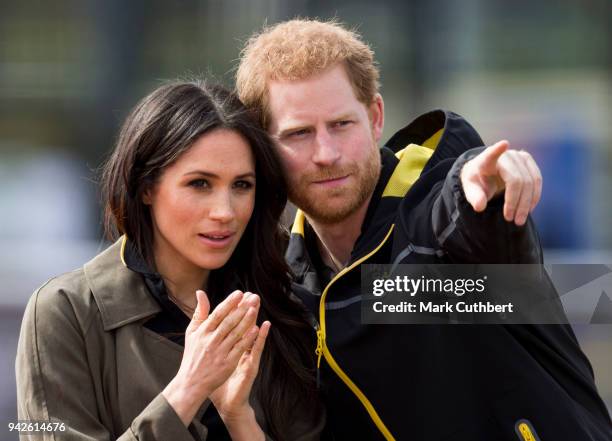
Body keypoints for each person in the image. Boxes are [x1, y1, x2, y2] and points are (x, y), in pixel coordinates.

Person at [235, 19, 612, 440]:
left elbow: (459, 220)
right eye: (299, 134)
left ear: (375, 118)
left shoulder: (437, 221)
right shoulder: (286, 293)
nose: (327, 153)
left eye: (341, 124)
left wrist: (483, 189)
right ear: (264, 147)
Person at [16, 80, 325, 441]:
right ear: (146, 187)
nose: (225, 212)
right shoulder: (63, 313)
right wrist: (187, 390)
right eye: (200, 184)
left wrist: (238, 417)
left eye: (241, 185)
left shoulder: (278, 303)